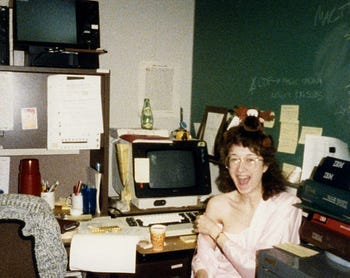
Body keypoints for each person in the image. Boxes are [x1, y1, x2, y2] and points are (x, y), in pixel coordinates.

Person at [192, 108, 303, 278]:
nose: (241, 168)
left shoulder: (286, 206)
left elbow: (259, 269)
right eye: (234, 159)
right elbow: (203, 259)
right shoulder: (218, 203)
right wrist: (202, 274)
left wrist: (217, 234)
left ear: (265, 165)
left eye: (250, 159)